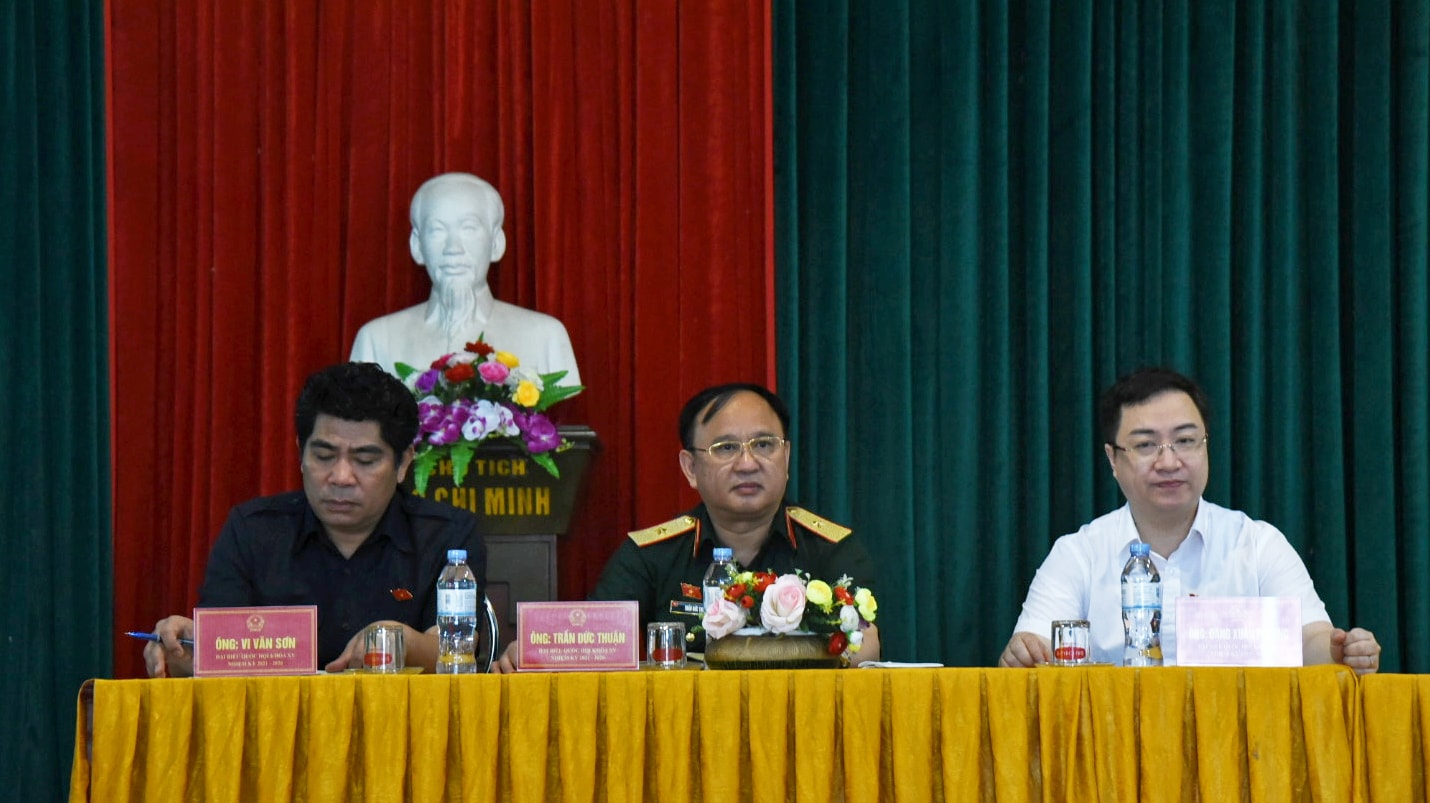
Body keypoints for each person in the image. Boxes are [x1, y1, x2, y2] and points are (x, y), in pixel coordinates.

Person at [1000, 367, 1381, 673]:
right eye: (1146, 445)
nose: (1169, 462)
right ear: (1113, 459)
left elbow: (1308, 641)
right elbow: (1034, 653)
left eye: (1185, 441)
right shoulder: (1077, 554)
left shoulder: (1257, 544)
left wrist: (1341, 651)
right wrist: (1024, 652)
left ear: (1206, 445)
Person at [494, 382, 881, 671]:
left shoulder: (831, 548)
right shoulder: (652, 555)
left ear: (787, 456)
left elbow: (865, 649)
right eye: (725, 448)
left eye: (764, 444)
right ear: (690, 468)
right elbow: (594, 642)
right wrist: (536, 652)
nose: (747, 463)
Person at [143, 362, 487, 676]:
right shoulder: (252, 531)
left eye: (365, 461)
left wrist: (401, 640)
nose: (341, 477)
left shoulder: (447, 536)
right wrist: (186, 651)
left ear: (403, 463)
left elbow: (456, 650)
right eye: (323, 456)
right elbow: (217, 658)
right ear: (301, 453)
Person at [350, 172, 581, 383]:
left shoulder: (545, 337)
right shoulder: (376, 341)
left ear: (496, 243)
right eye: (437, 230)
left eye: (469, 229)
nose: (453, 248)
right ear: (417, 246)